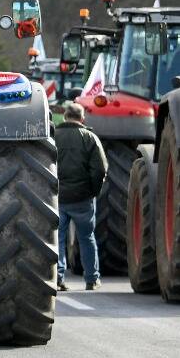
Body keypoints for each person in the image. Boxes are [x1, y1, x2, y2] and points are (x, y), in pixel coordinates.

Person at [54, 100, 108, 291]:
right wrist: (92, 192)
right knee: (87, 237)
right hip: (82, 199)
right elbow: (100, 169)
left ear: (65, 117)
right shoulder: (90, 138)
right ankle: (92, 279)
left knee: (58, 238)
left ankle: (58, 279)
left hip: (57, 198)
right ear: (82, 118)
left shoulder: (53, 137)